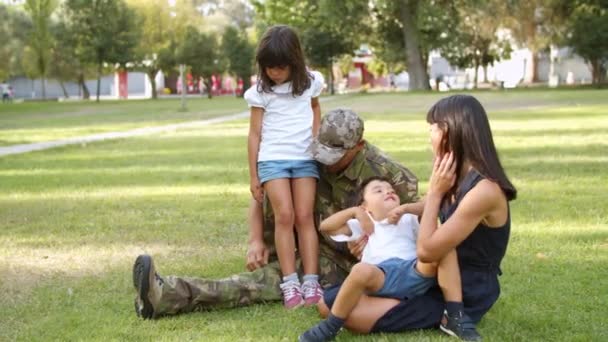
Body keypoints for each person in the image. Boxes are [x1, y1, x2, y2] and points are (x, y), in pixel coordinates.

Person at [132, 108, 419, 319]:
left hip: (353, 267)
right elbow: (264, 191)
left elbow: (423, 228)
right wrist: (255, 239)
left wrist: (376, 252)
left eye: (336, 156)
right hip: (305, 246)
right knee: (280, 201)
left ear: (358, 146)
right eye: (323, 150)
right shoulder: (311, 153)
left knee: (258, 286)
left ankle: (166, 294)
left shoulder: (389, 175)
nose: (325, 162)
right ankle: (168, 292)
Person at [317, 95, 516, 341]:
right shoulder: (456, 178)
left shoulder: (485, 190)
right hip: (432, 277)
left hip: (464, 288)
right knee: (327, 304)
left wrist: (434, 193)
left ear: (449, 131)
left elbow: (428, 250)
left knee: (351, 316)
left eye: (432, 129)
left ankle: (453, 317)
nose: (429, 136)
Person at [300, 177, 468, 342]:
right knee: (360, 270)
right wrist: (355, 212)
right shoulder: (365, 224)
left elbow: (429, 205)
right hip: (381, 277)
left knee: (444, 249)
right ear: (366, 207)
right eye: (378, 190)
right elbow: (326, 227)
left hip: (414, 272)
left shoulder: (408, 218)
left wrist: (406, 208)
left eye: (391, 190)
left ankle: (455, 315)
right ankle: (331, 326)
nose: (387, 191)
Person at [245, 25, 325, 309]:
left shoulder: (311, 82)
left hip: (304, 158)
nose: (273, 73)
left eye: (279, 67)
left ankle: (311, 280)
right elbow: (254, 134)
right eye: (268, 68)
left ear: (294, 62)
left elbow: (315, 108)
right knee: (285, 216)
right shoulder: (260, 92)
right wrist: (254, 175)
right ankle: (290, 282)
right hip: (273, 159)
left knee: (305, 216)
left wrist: (316, 139)